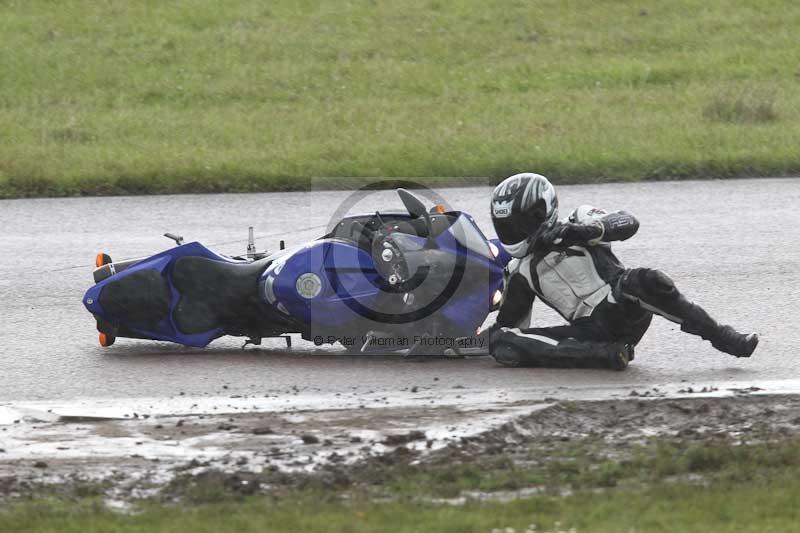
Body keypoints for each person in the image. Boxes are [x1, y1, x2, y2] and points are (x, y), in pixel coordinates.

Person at [483, 172, 758, 370]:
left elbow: (628, 221)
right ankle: (603, 356)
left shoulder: (579, 218)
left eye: (519, 224)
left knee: (643, 279)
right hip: (587, 332)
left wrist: (583, 232)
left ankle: (723, 337)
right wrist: (467, 338)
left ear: (541, 212)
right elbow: (512, 327)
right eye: (506, 227)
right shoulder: (517, 271)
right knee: (503, 343)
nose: (514, 233)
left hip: (620, 306)